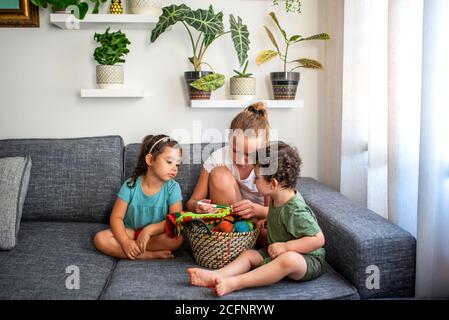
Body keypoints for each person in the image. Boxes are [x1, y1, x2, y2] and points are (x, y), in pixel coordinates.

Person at [187, 142, 326, 296]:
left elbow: (318, 239)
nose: (253, 181)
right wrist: (270, 222)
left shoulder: (296, 210)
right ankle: (217, 275)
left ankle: (236, 283)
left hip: (307, 260)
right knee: (248, 255)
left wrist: (286, 247)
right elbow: (283, 220)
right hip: (276, 251)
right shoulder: (276, 197)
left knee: (288, 260)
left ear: (272, 184)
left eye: (256, 178)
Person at [93, 134, 184, 260]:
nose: (174, 168)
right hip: (130, 233)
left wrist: (149, 230)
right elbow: (116, 217)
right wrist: (125, 242)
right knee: (100, 239)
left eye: (177, 164)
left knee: (177, 239)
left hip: (156, 235)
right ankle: (146, 254)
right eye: (169, 162)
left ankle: (137, 249)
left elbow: (176, 220)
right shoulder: (130, 185)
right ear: (150, 160)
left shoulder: (173, 188)